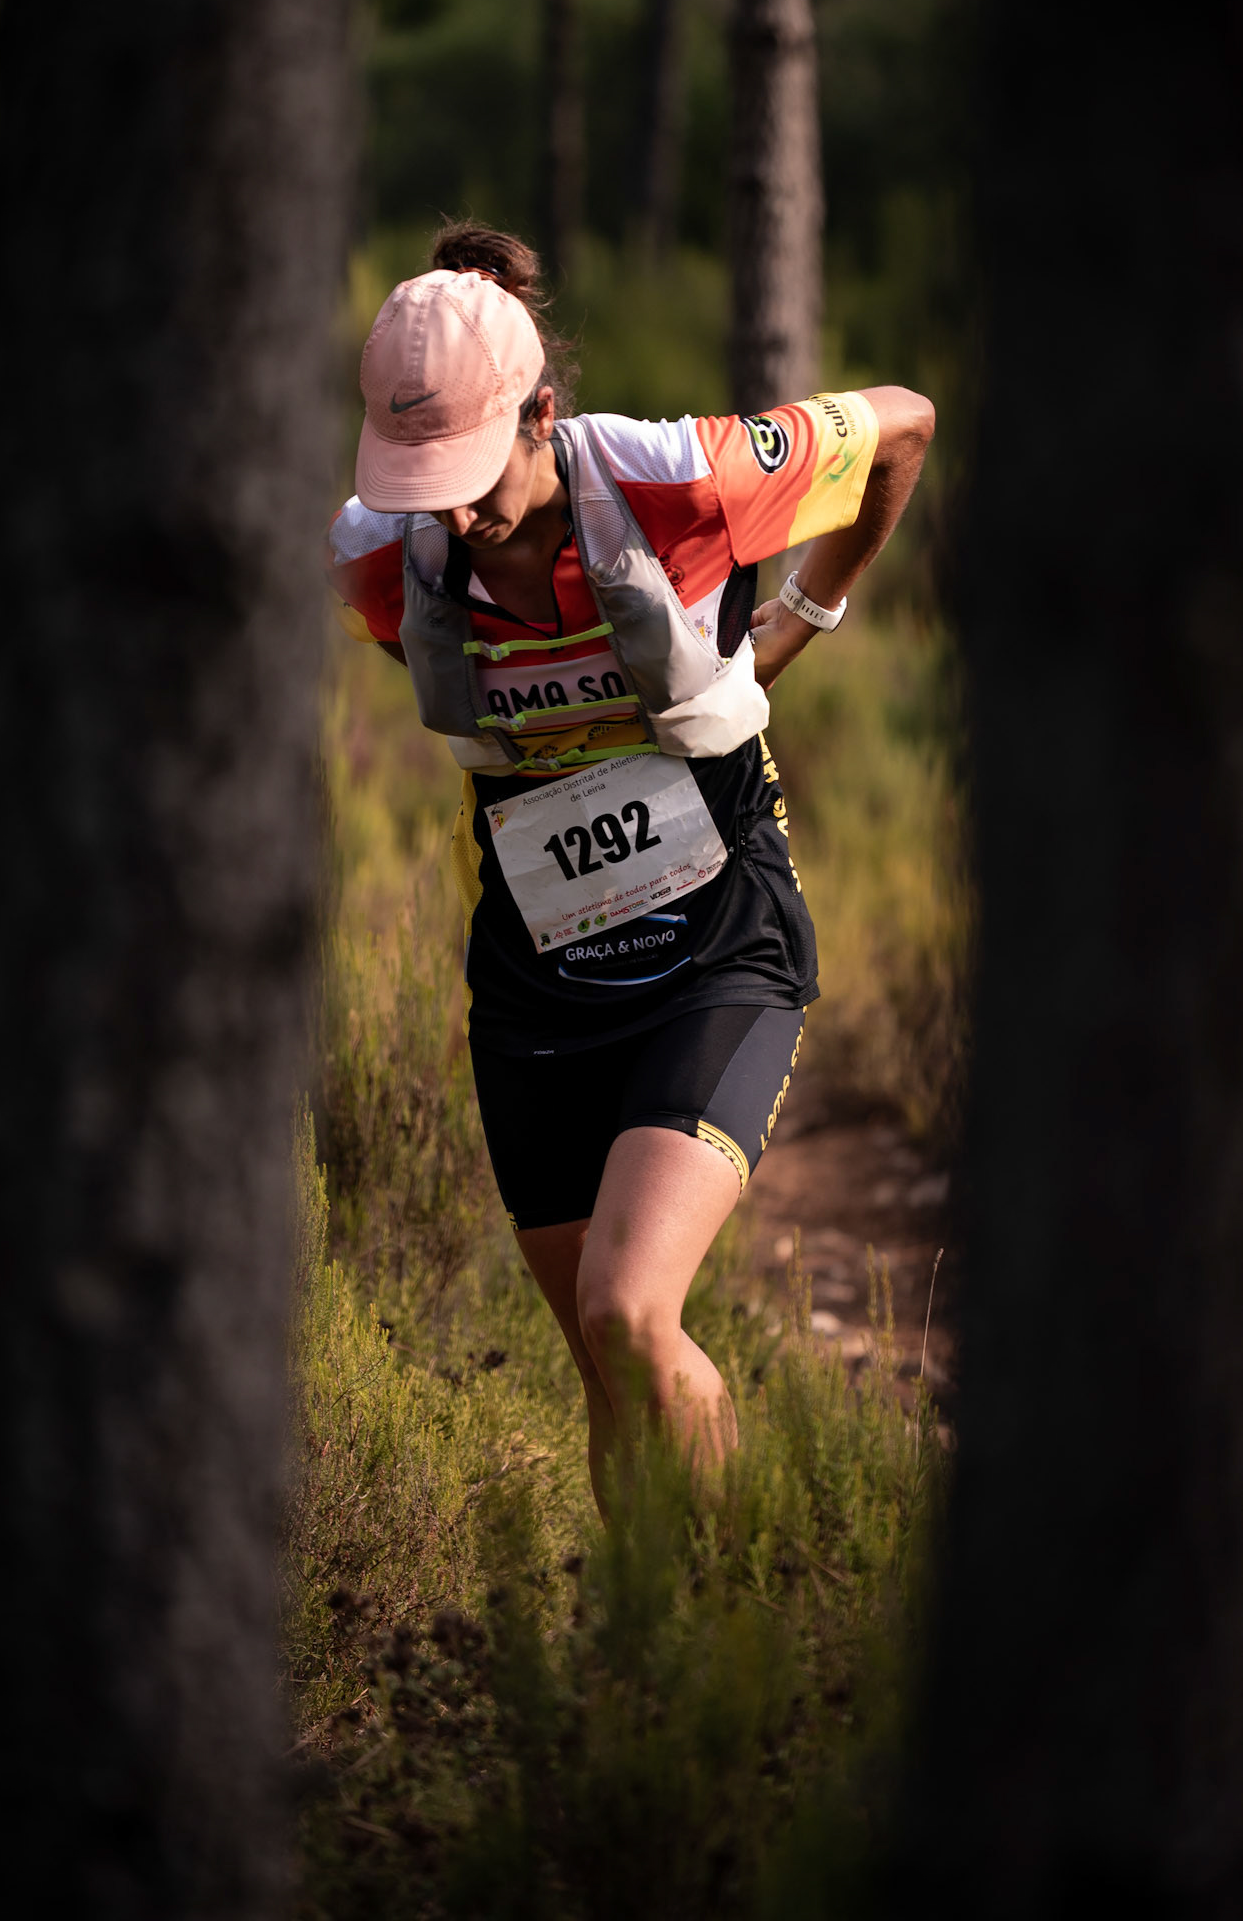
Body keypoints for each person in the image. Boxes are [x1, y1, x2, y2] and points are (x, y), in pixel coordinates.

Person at [328, 223, 933, 1511]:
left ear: (543, 412)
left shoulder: (684, 478)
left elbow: (904, 424)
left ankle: (741, 1603)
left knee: (629, 1309)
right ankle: (648, 1627)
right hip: (536, 982)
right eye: (420, 481)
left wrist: (801, 614)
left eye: (472, 472)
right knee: (607, 1376)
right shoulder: (379, 554)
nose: (453, 513)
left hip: (718, 948)